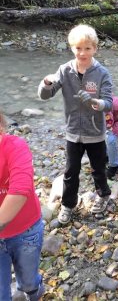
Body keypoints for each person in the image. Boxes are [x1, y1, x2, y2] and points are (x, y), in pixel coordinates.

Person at [38, 24, 113, 224]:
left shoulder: (102, 73)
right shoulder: (64, 70)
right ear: (72, 48)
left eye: (87, 48)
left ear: (95, 48)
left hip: (95, 133)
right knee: (71, 171)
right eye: (78, 48)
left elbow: (109, 103)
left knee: (98, 169)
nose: (82, 53)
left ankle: (103, 194)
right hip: (73, 132)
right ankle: (68, 204)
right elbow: (46, 95)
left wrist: (95, 103)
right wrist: (46, 83)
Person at [0, 111, 45, 301]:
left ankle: (33, 292)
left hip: (26, 231)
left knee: (28, 283)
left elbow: (21, 189)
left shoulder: (15, 146)